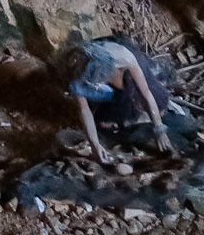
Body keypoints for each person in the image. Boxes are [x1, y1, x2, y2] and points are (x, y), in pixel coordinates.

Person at [59, 36, 175, 164]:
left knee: (141, 97)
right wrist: (95, 145)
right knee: (104, 116)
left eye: (102, 78)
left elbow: (146, 93)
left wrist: (159, 128)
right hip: (94, 82)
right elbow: (84, 109)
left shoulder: (124, 58)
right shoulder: (76, 74)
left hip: (118, 69)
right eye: (97, 81)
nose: (99, 83)